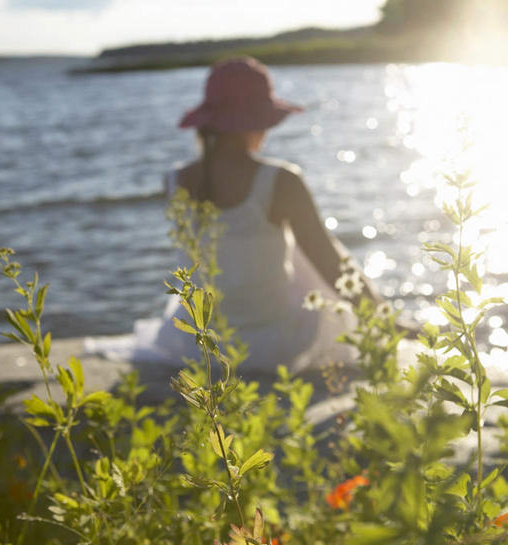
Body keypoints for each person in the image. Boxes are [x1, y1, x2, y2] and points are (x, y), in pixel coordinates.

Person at [85, 57, 383, 373]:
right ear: (257, 122)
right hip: (269, 346)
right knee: (303, 253)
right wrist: (380, 316)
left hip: (196, 345)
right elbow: (328, 259)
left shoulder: (175, 180)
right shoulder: (281, 180)